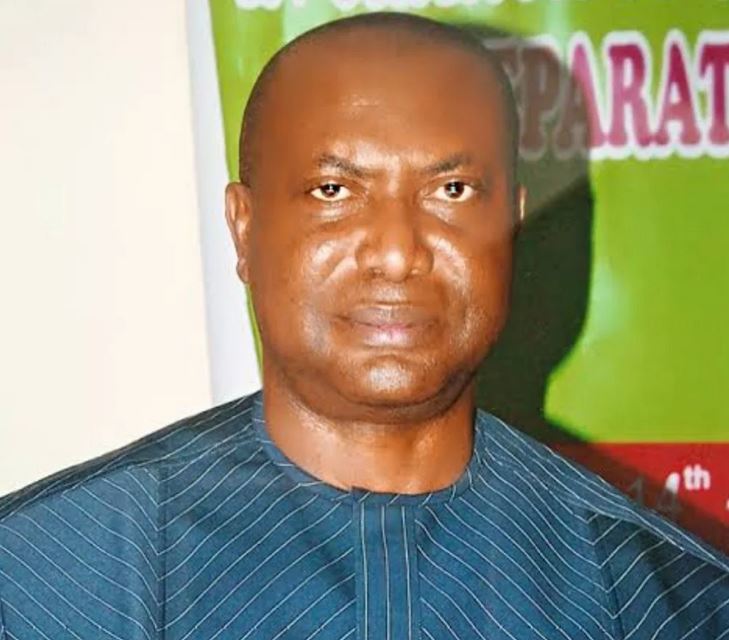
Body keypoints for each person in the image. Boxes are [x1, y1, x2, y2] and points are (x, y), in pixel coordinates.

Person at [0, 11, 727, 639]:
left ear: (511, 223)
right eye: (334, 190)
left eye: (451, 189)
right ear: (244, 229)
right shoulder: (49, 579)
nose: (397, 252)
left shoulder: (668, 601)